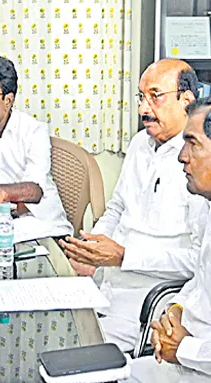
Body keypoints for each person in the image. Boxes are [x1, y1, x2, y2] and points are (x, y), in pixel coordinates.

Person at [60, 59, 208, 352]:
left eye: (155, 96)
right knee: (51, 329)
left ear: (186, 100)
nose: (143, 109)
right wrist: (91, 249)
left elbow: (197, 261)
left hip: (146, 298)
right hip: (105, 280)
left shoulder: (201, 167)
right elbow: (117, 208)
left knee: (77, 356)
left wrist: (125, 257)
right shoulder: (141, 143)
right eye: (141, 97)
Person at [121, 95, 211, 383]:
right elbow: (199, 282)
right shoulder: (208, 208)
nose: (181, 157)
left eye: (193, 145)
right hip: (184, 368)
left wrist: (183, 348)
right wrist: (174, 310)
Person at [0, 56, 72, 236]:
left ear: (8, 100)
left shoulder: (33, 131)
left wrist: (2, 192)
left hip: (41, 228)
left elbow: (35, 190)